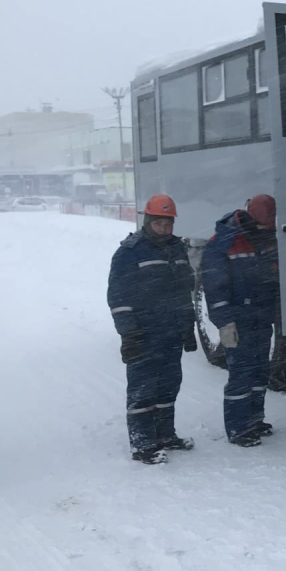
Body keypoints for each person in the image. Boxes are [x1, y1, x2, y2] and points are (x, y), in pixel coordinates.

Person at [107, 194, 198, 465]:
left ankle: (165, 435)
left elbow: (184, 292)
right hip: (144, 334)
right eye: (158, 223)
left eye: (167, 223)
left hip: (171, 332)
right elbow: (118, 297)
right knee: (143, 390)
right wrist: (129, 334)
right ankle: (143, 444)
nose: (164, 228)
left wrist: (188, 327)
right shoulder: (130, 252)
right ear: (148, 221)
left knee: (169, 387)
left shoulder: (177, 250)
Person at [202, 194, 279, 447]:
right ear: (250, 219)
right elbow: (215, 289)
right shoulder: (223, 244)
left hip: (260, 317)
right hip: (237, 319)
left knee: (259, 372)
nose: (267, 233)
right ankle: (238, 428)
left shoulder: (266, 237)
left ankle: (255, 420)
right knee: (241, 374)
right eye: (264, 228)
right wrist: (224, 323)